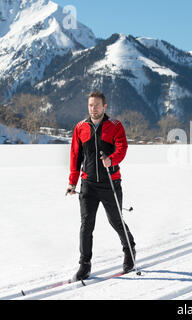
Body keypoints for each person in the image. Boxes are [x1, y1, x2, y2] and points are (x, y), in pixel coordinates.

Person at [67, 91, 136, 281]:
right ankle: (84, 265)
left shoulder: (114, 126)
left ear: (105, 107)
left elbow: (122, 147)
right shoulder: (80, 127)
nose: (93, 108)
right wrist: (72, 181)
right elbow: (75, 156)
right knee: (86, 225)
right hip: (88, 184)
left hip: (110, 182)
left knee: (116, 220)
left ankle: (130, 251)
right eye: (90, 105)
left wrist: (111, 160)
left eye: (97, 105)